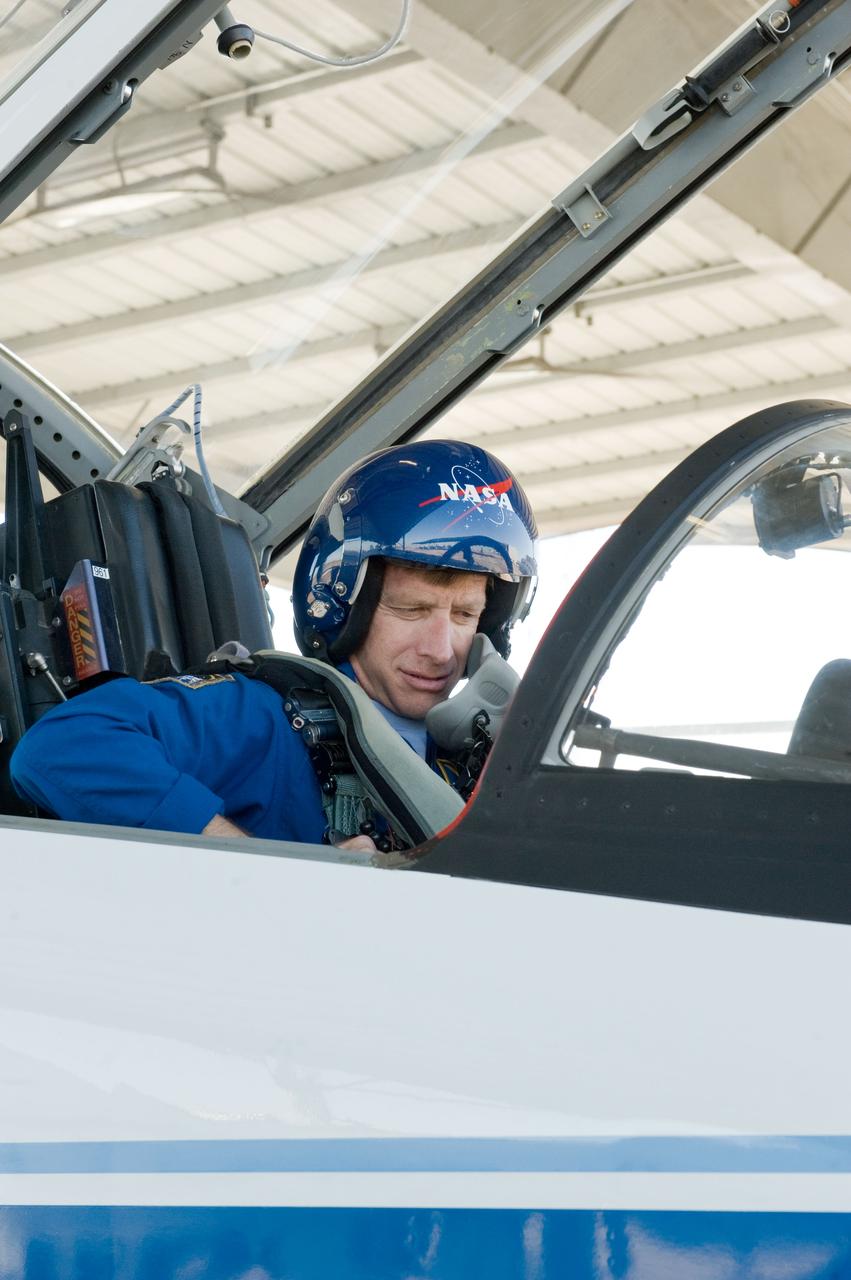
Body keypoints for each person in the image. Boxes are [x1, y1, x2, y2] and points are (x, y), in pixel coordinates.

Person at [10, 440, 538, 848]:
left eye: (465, 615)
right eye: (410, 609)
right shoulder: (269, 717)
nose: (442, 649)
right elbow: (64, 745)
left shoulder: (485, 756)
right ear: (342, 604)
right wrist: (265, 868)